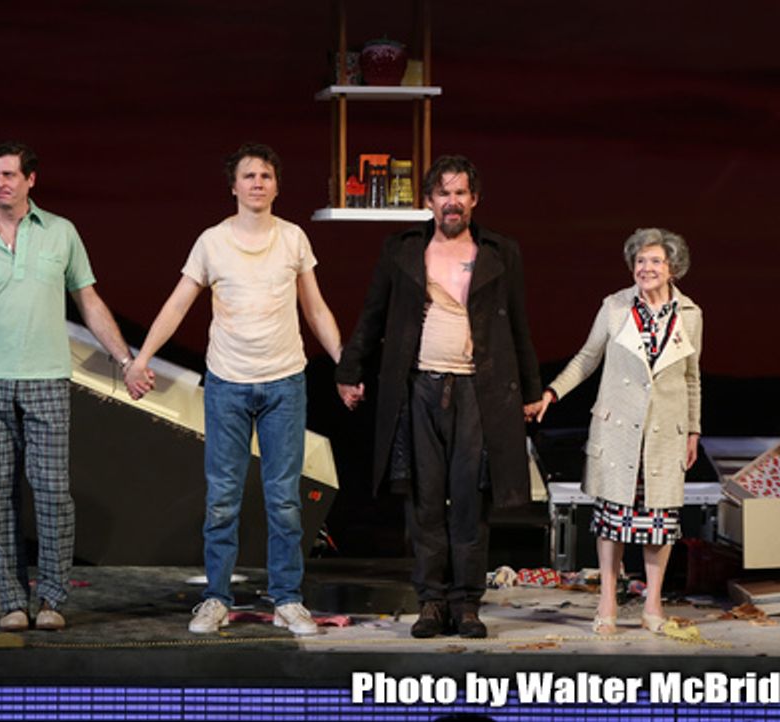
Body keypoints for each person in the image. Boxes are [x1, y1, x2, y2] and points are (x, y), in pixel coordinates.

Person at [124, 142, 343, 636]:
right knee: (223, 497)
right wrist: (139, 359)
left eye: (266, 175)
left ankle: (287, 599)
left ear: (276, 185)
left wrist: (343, 364)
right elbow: (178, 304)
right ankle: (216, 598)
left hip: (285, 382)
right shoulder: (212, 241)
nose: (258, 183)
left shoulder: (292, 239)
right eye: (249, 176)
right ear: (234, 186)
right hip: (228, 385)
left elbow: (316, 309)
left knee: (284, 499)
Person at [335, 155, 545, 639]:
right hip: (419, 388)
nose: (452, 201)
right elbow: (373, 315)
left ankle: (467, 605)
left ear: (474, 200)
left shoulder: (500, 251)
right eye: (443, 193)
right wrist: (350, 372)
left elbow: (518, 324)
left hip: (477, 390)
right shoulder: (402, 250)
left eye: (461, 193)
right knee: (425, 501)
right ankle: (431, 602)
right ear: (429, 201)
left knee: (471, 501)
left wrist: (532, 391)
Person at [0, 141, 134, 632]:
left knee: (52, 494)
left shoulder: (61, 233)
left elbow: (88, 301)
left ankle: (51, 599)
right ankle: (12, 600)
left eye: (9, 174)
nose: (0, 182)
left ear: (31, 180)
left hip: (46, 380)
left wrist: (125, 359)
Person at [533, 228, 702, 636]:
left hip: (664, 432)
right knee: (613, 519)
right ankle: (608, 598)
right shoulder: (614, 307)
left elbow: (692, 377)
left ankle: (653, 603)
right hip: (619, 429)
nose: (646, 268)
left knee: (659, 520)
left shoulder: (690, 315)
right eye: (640, 261)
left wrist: (692, 431)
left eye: (655, 261)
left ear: (672, 268)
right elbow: (587, 358)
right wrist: (552, 392)